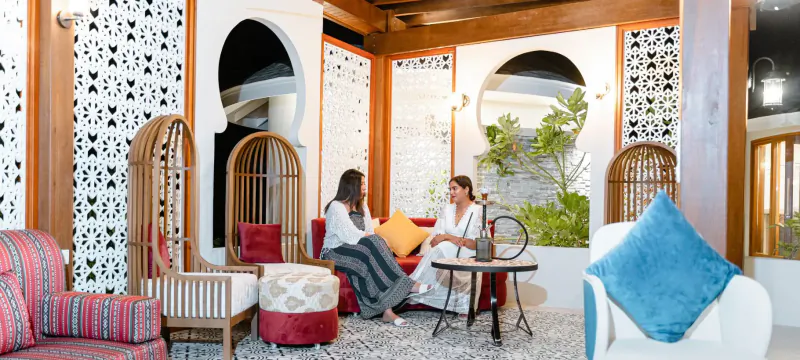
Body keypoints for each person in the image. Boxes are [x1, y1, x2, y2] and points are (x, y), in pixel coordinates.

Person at [321, 169, 432, 327]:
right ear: (351, 185)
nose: (365, 187)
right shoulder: (336, 206)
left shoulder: (362, 207)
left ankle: (388, 313)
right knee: (370, 248)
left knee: (368, 258)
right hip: (335, 251)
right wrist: (376, 239)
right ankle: (408, 285)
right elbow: (348, 234)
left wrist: (377, 240)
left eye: (365, 183)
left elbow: (369, 232)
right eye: (362, 184)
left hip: (357, 249)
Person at [409, 175, 483, 317]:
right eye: (450, 189)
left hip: (467, 253)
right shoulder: (447, 209)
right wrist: (451, 238)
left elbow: (475, 244)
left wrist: (448, 237)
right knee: (439, 248)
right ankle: (413, 285)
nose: (451, 192)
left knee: (441, 248)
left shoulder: (478, 210)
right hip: (445, 251)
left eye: (455, 188)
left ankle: (411, 285)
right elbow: (435, 240)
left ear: (466, 189)